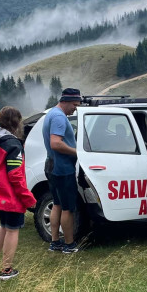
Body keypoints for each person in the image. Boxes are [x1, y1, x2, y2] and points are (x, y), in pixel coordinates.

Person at [0, 107, 37, 280]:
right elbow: (15, 175)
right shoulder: (13, 144)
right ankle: (7, 270)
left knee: (3, 227)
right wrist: (28, 198)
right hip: (10, 196)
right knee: (12, 230)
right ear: (16, 123)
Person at [42, 88, 81, 253]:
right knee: (67, 208)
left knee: (57, 204)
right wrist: (78, 152)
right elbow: (56, 143)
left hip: (51, 165)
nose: (75, 108)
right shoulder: (59, 117)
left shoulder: (51, 113)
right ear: (65, 100)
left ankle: (55, 242)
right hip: (62, 169)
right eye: (74, 104)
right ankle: (69, 245)